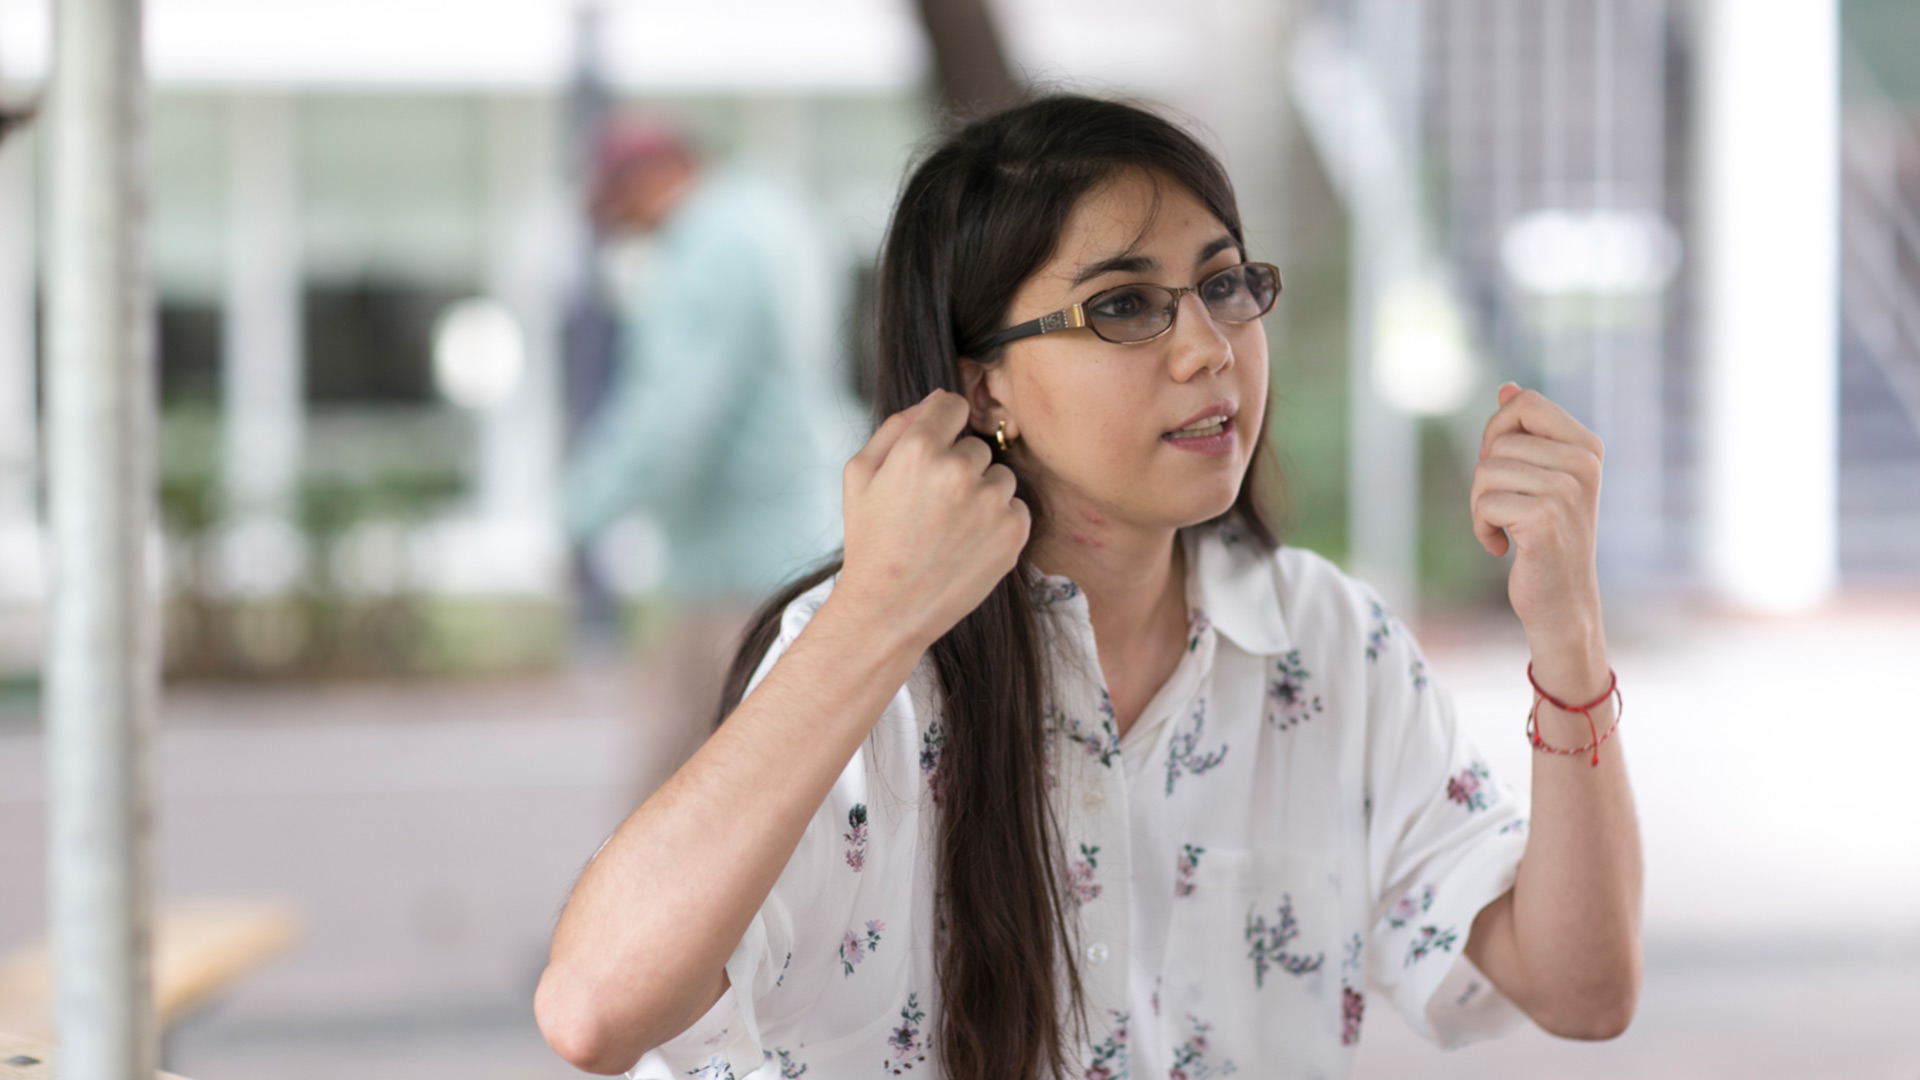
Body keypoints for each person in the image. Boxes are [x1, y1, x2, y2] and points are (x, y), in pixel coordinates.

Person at [535, 93, 1642, 1079]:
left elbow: (1578, 991)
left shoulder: (1323, 640)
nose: (1209, 349)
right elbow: (593, 1013)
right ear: (984, 383)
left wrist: (1570, 638)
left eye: (1224, 284)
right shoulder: (870, 664)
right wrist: (874, 613)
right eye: (1123, 307)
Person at [563, 118, 863, 800]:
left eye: (620, 210)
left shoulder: (708, 248)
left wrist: (580, 511)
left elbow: (673, 414)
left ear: (651, 178)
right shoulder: (776, 214)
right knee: (781, 779)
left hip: (728, 570)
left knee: (673, 794)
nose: (626, 232)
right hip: (801, 534)